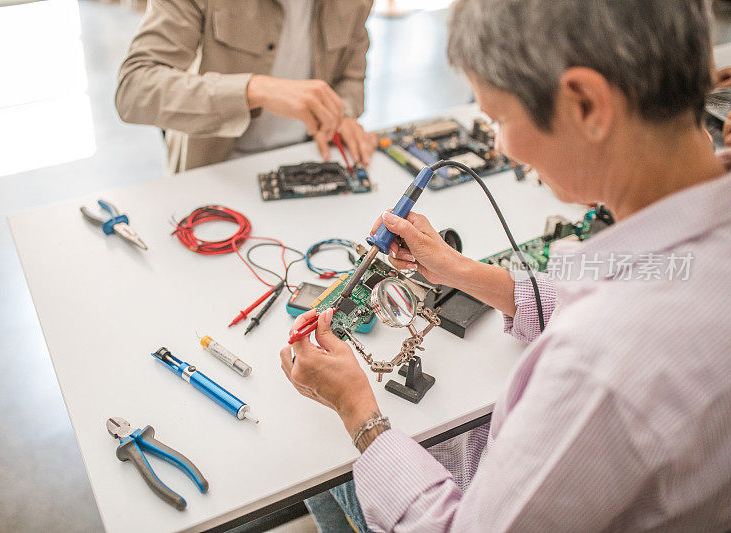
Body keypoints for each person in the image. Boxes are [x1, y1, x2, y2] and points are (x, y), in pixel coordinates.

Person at [281, 0, 731, 530]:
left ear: (586, 103)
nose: (499, 144)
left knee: (321, 473)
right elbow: (653, 273)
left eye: (498, 118)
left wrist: (360, 414)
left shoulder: (597, 365)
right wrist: (458, 270)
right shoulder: (697, 239)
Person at [115, 0, 376, 173]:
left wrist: (341, 114)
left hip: (311, 158)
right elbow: (134, 89)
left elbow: (351, 76)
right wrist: (254, 90)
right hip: (215, 167)